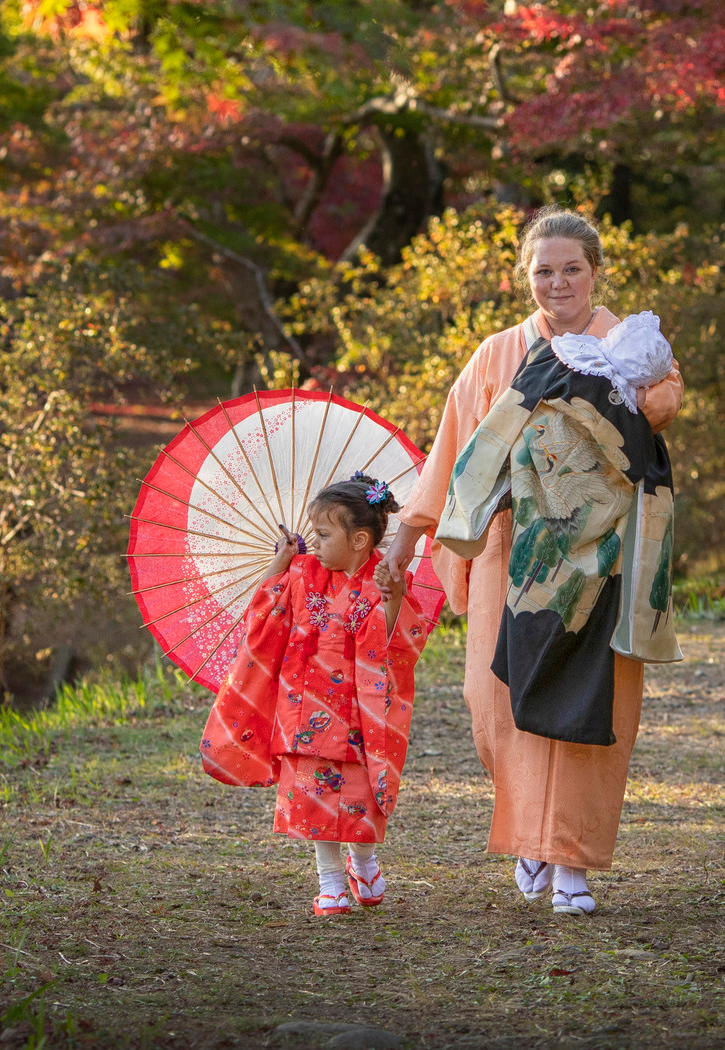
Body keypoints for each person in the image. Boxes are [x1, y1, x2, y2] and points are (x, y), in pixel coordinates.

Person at [378, 210, 681, 916]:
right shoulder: (497, 353)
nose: (559, 282)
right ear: (527, 277)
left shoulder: (629, 344)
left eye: (572, 268)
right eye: (544, 271)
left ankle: (570, 859)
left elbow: (663, 405)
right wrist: (408, 533)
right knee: (494, 702)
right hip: (510, 548)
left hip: (599, 555)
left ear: (595, 272)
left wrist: (632, 384)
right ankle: (529, 833)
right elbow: (456, 446)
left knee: (589, 700)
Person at [202, 473, 421, 915]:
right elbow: (264, 612)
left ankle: (363, 860)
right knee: (313, 796)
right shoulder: (302, 573)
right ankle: (330, 880)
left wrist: (393, 595)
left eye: (323, 535)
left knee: (359, 797)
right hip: (304, 708)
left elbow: (393, 642)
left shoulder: (384, 577)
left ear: (359, 540)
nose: (314, 543)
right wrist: (280, 562)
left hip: (359, 711)